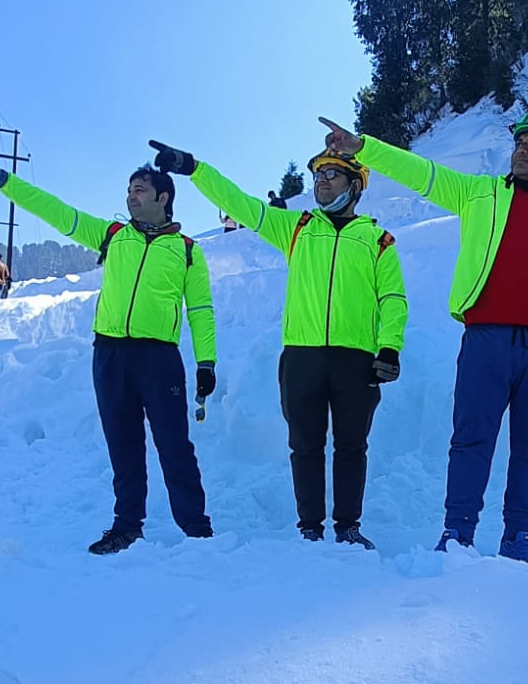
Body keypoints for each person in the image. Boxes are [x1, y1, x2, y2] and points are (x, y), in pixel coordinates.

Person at [317, 108, 528, 563]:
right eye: (520, 142)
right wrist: (363, 148)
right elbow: (423, 174)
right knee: (471, 438)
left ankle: (518, 535)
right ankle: (457, 532)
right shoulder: (481, 194)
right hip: (487, 341)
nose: (522, 150)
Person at [148, 138, 408, 548]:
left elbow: (392, 298)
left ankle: (347, 527)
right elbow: (240, 204)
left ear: (355, 184)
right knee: (305, 445)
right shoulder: (297, 228)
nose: (321, 181)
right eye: (317, 175)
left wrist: (389, 347)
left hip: (356, 360)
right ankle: (310, 529)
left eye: (332, 174)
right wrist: (194, 168)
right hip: (301, 358)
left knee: (351, 446)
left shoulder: (378, 241)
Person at [0, 149, 217, 554]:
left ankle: (196, 526)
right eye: (129, 190)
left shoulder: (188, 251)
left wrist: (206, 361)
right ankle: (127, 526)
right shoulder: (113, 235)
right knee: (123, 445)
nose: (131, 196)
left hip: (159, 358)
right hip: (109, 355)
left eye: (140, 190)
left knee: (174, 445)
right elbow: (53, 209)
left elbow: (201, 309)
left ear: (163, 197)